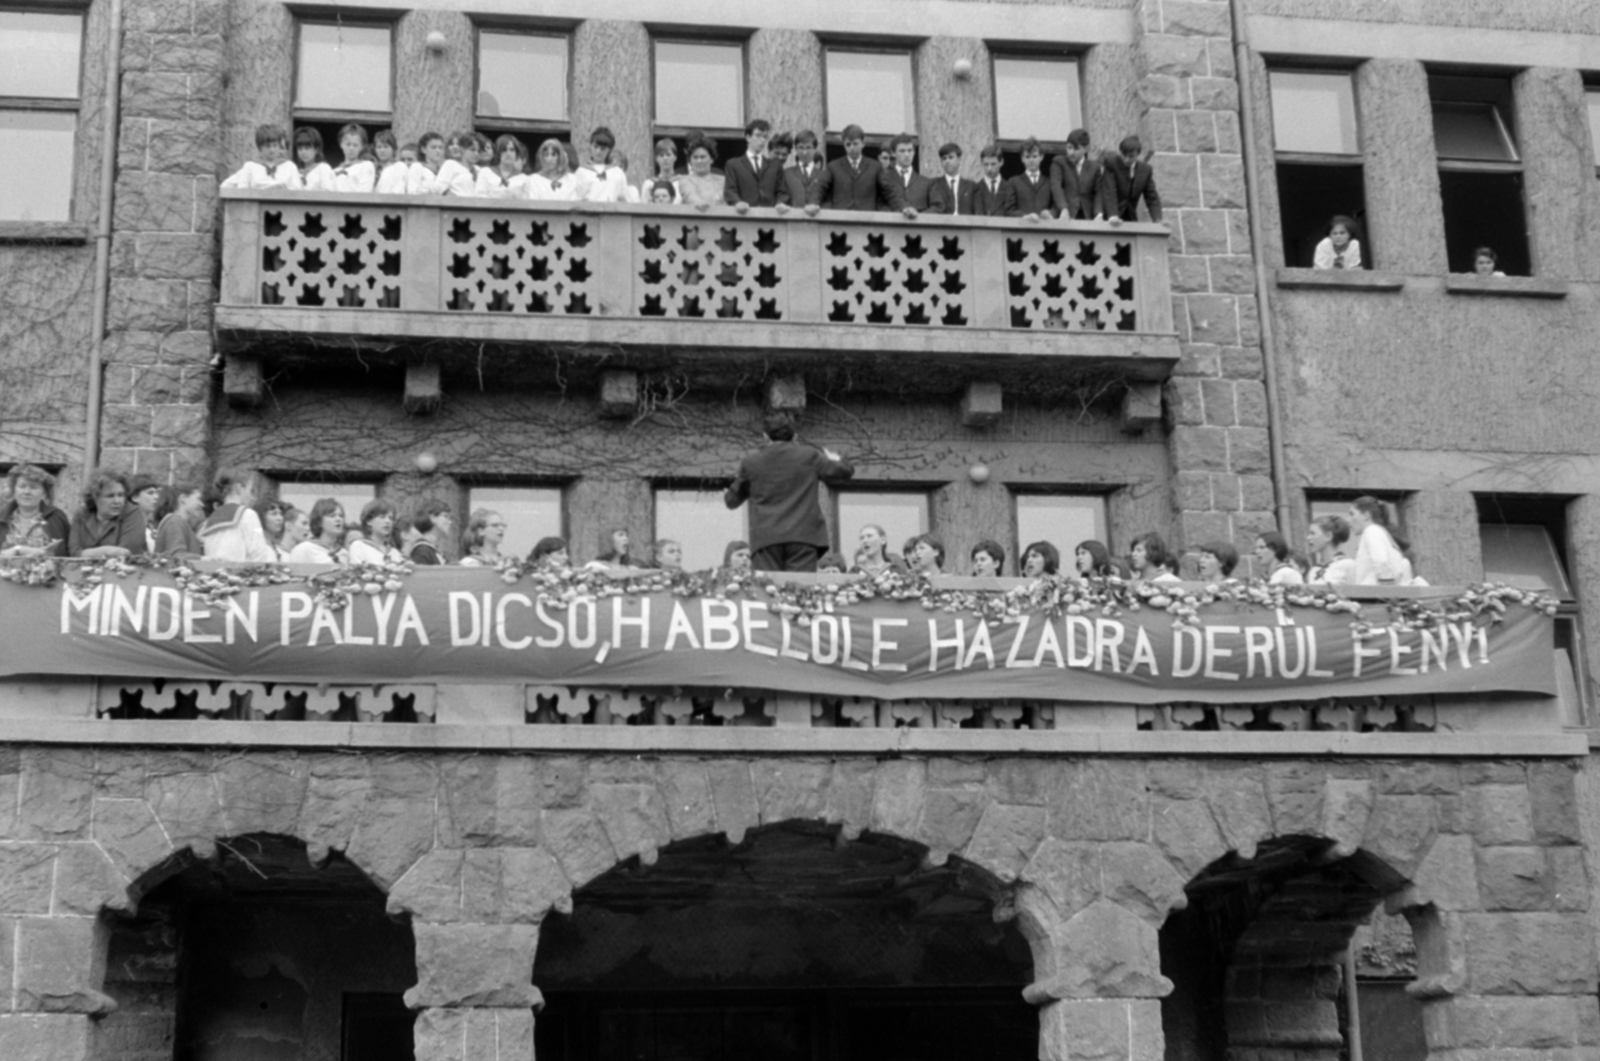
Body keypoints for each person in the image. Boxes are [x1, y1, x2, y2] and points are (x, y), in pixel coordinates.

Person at [724, 411, 855, 572]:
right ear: (794, 436)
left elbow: (731, 501)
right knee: (799, 591)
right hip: (803, 538)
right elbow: (844, 472)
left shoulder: (751, 463)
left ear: (765, 436)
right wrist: (837, 459)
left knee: (767, 591)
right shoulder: (809, 456)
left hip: (766, 540)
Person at [808, 125, 901, 213]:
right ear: (843, 145)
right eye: (848, 144)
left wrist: (903, 208)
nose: (852, 148)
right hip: (841, 222)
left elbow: (890, 192)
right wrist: (813, 203)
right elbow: (820, 187)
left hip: (867, 222)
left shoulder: (875, 167)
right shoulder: (833, 166)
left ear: (863, 144)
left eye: (855, 144)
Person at [69, 469, 149, 559]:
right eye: (110, 496)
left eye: (121, 495)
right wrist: (106, 551)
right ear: (95, 497)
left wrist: (88, 553)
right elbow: (74, 552)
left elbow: (126, 553)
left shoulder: (133, 513)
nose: (117, 501)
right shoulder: (82, 514)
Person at [199, 470, 274, 563]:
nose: (252, 497)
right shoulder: (248, 515)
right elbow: (259, 554)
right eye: (250, 491)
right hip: (242, 575)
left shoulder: (209, 522)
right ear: (239, 488)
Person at [0, 464, 71, 558]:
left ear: (44, 493)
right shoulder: (2, 517)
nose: (27, 492)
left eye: (33, 487)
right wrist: (18, 550)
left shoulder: (56, 517)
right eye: (22, 486)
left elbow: (66, 553)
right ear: (14, 490)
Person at [1348, 496, 1410, 585]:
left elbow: (1381, 560)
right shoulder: (1379, 532)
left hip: (1374, 595)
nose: (1348, 520)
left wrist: (1386, 589)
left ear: (1366, 515)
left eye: (1352, 514)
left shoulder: (1372, 531)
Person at [1050, 128, 1106, 221]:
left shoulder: (1094, 167)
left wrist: (1099, 215)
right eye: (1069, 147)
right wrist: (1063, 209)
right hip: (1064, 214)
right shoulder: (1059, 162)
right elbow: (1056, 186)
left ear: (1086, 148)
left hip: (1087, 216)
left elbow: (1098, 193)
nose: (1071, 152)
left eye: (1076, 148)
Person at [724, 118, 781, 210]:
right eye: (758, 135)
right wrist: (738, 202)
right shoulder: (733, 164)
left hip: (769, 217)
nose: (762, 140)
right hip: (745, 216)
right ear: (748, 137)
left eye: (765, 136)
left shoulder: (775, 166)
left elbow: (781, 191)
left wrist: (780, 203)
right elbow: (730, 190)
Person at [1103, 135, 1162, 223]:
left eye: (1131, 156)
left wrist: (1157, 219)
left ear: (1138, 154)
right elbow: (1110, 191)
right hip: (1109, 217)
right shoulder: (1111, 163)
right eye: (1124, 155)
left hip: (1130, 217)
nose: (1126, 159)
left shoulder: (1145, 170)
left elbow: (1152, 197)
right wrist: (1113, 215)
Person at [221, 124, 300, 189]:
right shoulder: (250, 167)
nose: (272, 150)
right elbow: (225, 186)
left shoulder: (290, 167)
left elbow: (297, 191)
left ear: (279, 146)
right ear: (260, 148)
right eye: (268, 146)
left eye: (275, 146)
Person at [883, 133, 937, 217]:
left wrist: (919, 216)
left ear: (914, 152)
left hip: (919, 228)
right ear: (893, 153)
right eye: (902, 151)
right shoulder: (884, 179)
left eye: (909, 150)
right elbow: (878, 205)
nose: (907, 155)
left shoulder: (926, 183)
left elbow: (937, 206)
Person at [1002, 138, 1055, 221]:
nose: (1031, 160)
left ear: (1041, 157)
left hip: (1045, 229)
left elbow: (1056, 205)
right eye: (1027, 157)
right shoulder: (1013, 182)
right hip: (1022, 230)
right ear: (1022, 159)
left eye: (1034, 156)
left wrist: (1050, 214)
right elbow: (1009, 209)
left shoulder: (1049, 182)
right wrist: (1025, 217)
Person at [575, 126, 630, 203]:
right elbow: (575, 198)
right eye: (595, 147)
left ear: (609, 150)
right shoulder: (581, 171)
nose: (598, 152)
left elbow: (625, 198)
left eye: (603, 148)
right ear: (590, 146)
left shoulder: (617, 172)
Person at [777, 130, 825, 211]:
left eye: (808, 147)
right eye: (801, 148)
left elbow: (827, 201)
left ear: (815, 149)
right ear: (796, 149)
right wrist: (780, 204)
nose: (804, 152)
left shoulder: (823, 175)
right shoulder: (787, 173)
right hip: (794, 220)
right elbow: (782, 197)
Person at [153, 482, 205, 557]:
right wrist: (205, 559)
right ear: (183, 498)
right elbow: (177, 556)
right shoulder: (175, 522)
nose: (202, 504)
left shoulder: (178, 523)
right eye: (198, 499)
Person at [288, 499, 346, 564]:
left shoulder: (344, 553)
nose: (338, 519)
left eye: (341, 516)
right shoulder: (304, 549)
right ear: (319, 521)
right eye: (332, 516)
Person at [676, 134, 725, 209]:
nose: (699, 161)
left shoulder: (723, 181)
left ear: (711, 159)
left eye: (703, 157)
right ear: (690, 161)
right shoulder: (685, 180)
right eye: (695, 157)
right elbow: (691, 197)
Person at [930, 142, 978, 216]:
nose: (947, 161)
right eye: (944, 158)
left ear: (959, 160)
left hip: (965, 225)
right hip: (942, 225)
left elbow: (978, 213)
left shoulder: (971, 186)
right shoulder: (933, 184)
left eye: (951, 157)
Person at [1306, 514, 1355, 585]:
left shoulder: (1348, 564)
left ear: (1328, 536)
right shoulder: (1313, 570)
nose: (1308, 537)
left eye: (1313, 533)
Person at [348, 499, 402, 564]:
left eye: (390, 518)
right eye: (382, 517)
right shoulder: (359, 546)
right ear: (369, 521)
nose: (387, 521)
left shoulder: (395, 553)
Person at [477, 134, 529, 198]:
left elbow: (526, 202)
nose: (508, 153)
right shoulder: (485, 172)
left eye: (512, 150)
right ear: (498, 153)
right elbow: (479, 197)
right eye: (504, 150)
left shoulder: (524, 179)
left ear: (517, 154)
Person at [331, 122, 376, 193]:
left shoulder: (366, 166)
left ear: (362, 147)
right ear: (341, 144)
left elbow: (365, 191)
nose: (351, 148)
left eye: (355, 145)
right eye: (348, 144)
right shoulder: (334, 171)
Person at [127, 475, 165, 554]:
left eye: (156, 493)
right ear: (135, 497)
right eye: (150, 493)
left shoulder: (152, 527)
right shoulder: (129, 527)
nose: (156, 497)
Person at [293, 127, 335, 191]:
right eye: (300, 149)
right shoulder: (296, 173)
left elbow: (328, 192)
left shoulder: (323, 169)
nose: (303, 152)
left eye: (307, 148)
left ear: (316, 150)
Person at [642, 137, 680, 205]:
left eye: (668, 155)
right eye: (661, 155)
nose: (665, 158)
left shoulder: (681, 182)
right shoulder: (649, 184)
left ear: (675, 157)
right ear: (656, 158)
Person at [374, 129, 409, 194]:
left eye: (386, 147)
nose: (382, 150)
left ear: (394, 149)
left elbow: (399, 190)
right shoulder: (374, 169)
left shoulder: (399, 167)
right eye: (379, 147)